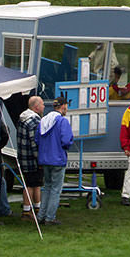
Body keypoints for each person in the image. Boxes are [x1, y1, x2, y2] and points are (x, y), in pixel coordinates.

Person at [36, 96, 74, 225]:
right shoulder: (62, 121)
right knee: (55, 189)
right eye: (66, 106)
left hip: (44, 159)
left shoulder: (43, 120)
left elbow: (37, 140)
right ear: (63, 106)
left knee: (47, 187)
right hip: (57, 158)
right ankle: (50, 217)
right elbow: (66, 140)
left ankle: (41, 215)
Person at [17, 96, 44, 221]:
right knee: (35, 185)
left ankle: (28, 210)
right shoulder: (34, 121)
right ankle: (34, 211)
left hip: (23, 157)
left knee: (27, 184)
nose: (44, 107)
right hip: (32, 159)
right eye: (42, 104)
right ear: (37, 107)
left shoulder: (22, 119)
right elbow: (35, 143)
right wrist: (40, 160)